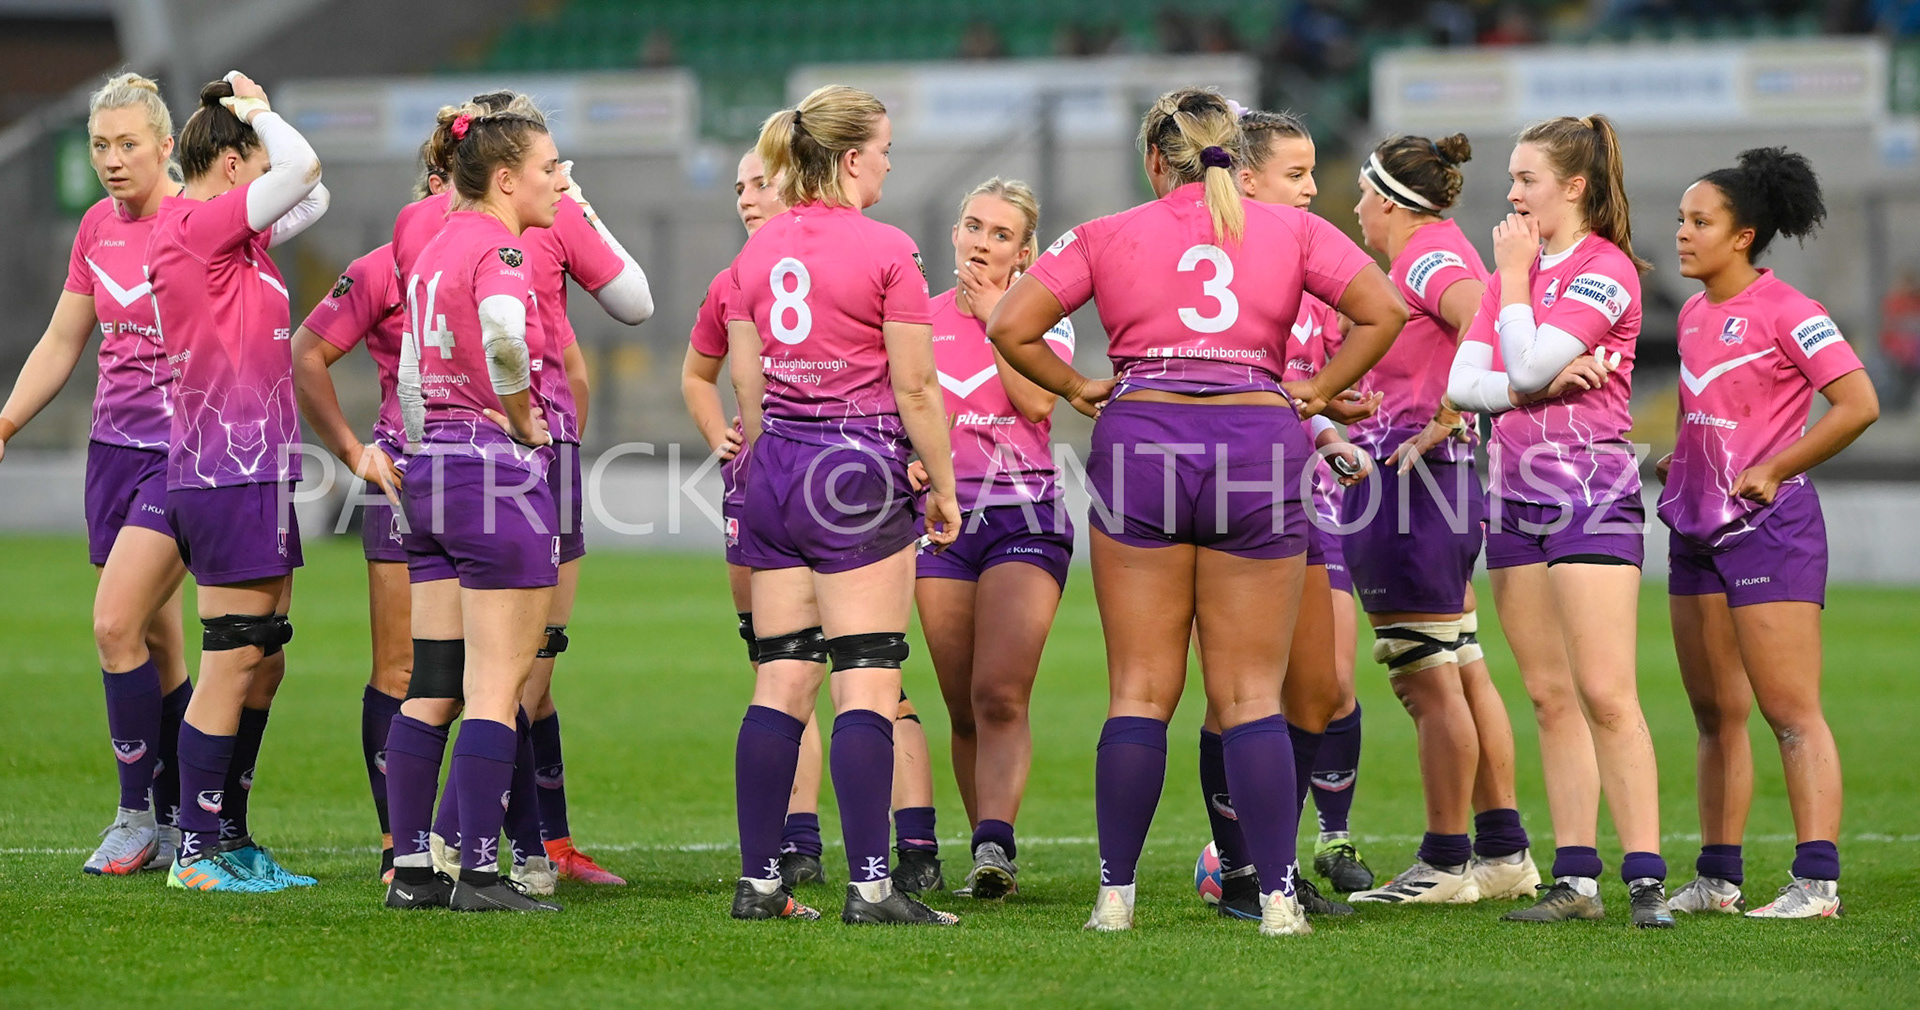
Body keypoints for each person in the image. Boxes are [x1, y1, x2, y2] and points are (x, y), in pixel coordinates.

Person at [989, 87, 1407, 936]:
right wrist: (1318, 391)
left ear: (1154, 160)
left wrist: (1077, 388)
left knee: (1140, 691)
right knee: (1251, 692)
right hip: (1256, 439)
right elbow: (1385, 310)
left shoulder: (1107, 233)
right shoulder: (1291, 228)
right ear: (1234, 154)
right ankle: (1279, 898)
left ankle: (1117, 898)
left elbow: (1011, 323)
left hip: (1142, 437)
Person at [724, 85, 960, 925]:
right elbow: (918, 386)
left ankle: (760, 884)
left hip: (776, 467)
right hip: (855, 469)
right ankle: (870, 887)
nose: (890, 162)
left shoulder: (755, 252)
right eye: (886, 149)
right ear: (853, 157)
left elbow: (747, 384)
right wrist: (944, 482)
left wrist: (763, 457)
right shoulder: (888, 247)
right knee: (865, 680)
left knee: (781, 679)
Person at [1445, 114, 1672, 927]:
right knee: (1547, 696)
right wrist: (1528, 381)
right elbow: (1463, 385)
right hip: (1512, 497)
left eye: (1527, 179)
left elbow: (1530, 357)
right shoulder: (1524, 268)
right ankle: (1575, 881)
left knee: (1606, 691)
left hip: (1589, 494)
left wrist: (1511, 295)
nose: (1510, 193)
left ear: (1573, 187)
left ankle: (1645, 877)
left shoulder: (1604, 268)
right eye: (1511, 177)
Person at [1660, 147, 1878, 919]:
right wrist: (1677, 463)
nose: (1682, 234)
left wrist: (1778, 467)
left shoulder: (1793, 312)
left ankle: (1816, 883)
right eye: (1682, 220)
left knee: (1790, 711)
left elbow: (1858, 404)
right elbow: (1715, 418)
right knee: (1715, 714)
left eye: (1699, 222)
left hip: (1770, 529)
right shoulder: (1691, 313)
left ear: (1744, 235)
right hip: (1696, 529)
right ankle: (1719, 879)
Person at [1340, 131, 1540, 906]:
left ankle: (1445, 860)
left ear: (1389, 199)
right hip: (1436, 481)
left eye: (1363, 193)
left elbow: (1476, 315)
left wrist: (1453, 408)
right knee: (1459, 665)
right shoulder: (1437, 248)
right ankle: (1501, 851)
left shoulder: (1424, 256)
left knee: (1425, 680)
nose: (1356, 208)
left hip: (1411, 483)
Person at [0, 73, 192, 876]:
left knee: (114, 625)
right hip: (112, 452)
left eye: (128, 145)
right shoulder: (95, 227)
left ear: (166, 145)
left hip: (185, 455)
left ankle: (136, 817)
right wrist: (6, 420)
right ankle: (187, 816)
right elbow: (61, 340)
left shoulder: (202, 222)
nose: (112, 161)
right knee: (157, 638)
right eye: (99, 146)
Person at [381, 97, 566, 913]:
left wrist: (430, 444)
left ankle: (413, 870)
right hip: (494, 478)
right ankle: (482, 875)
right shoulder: (501, 248)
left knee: (432, 683)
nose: (559, 184)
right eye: (548, 169)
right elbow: (501, 331)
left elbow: (412, 378)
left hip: (426, 474)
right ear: (504, 178)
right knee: (499, 687)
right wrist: (525, 420)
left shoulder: (428, 248)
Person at [148, 73, 329, 894]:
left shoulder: (234, 238)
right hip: (224, 471)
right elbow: (304, 171)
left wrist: (253, 131)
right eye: (251, 164)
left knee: (264, 659)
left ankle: (229, 834)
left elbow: (304, 197)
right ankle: (196, 851)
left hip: (256, 469)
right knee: (230, 661)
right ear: (229, 164)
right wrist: (257, 111)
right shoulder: (192, 226)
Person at [1193, 108, 1373, 919]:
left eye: (1311, 172)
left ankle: (1277, 856)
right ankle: (1244, 870)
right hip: (1238, 490)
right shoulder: (1219, 262)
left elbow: (1314, 381)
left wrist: (1334, 414)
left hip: (1310, 493)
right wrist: (1319, 409)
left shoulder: (1317, 265)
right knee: (1237, 690)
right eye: (1296, 174)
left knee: (1323, 687)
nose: (1311, 188)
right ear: (1248, 178)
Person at [909, 176, 1073, 900]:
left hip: (1025, 517)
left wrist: (998, 317)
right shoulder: (916, 316)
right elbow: (900, 410)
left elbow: (1037, 400)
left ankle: (995, 843)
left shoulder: (1042, 317)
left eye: (1000, 234)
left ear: (1024, 250)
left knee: (1000, 692)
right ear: (955, 233)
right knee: (960, 703)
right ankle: (986, 857)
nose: (981, 242)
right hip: (940, 523)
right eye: (973, 226)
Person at [292, 215, 416, 883]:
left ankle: (493, 847)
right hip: (401, 479)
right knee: (398, 670)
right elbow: (306, 350)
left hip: (494, 484)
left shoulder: (517, 258)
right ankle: (400, 846)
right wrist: (350, 452)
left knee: (498, 673)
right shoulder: (377, 268)